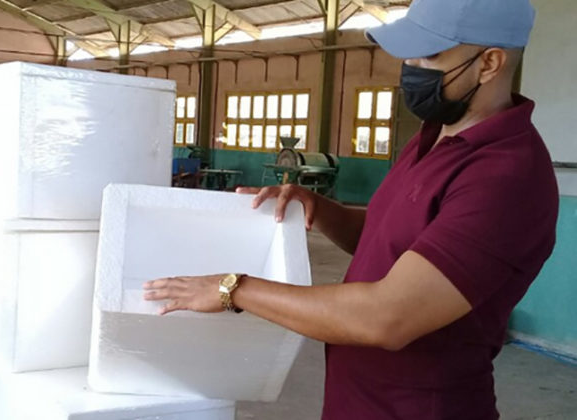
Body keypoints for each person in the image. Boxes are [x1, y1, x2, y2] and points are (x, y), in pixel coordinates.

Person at [143, 0, 559, 418]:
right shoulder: (430, 139)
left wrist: (234, 289)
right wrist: (318, 208)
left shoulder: (507, 175)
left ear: (489, 63)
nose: (409, 66)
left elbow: (388, 317)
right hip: (357, 400)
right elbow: (387, 238)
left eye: (428, 55)